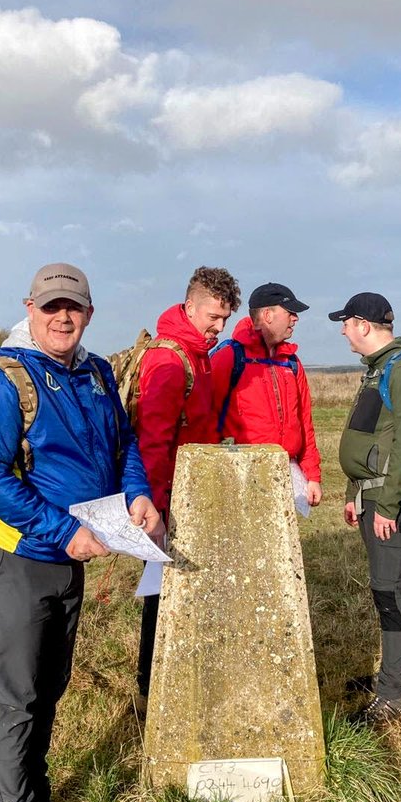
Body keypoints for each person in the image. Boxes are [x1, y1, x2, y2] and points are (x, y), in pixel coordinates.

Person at [0, 262, 161, 802]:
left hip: (69, 558)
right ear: (30, 308)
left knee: (49, 685)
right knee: (11, 699)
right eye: (51, 307)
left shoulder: (96, 373)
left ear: (90, 313)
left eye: (74, 306)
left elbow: (123, 443)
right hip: (8, 561)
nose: (63, 317)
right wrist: (62, 531)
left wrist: (137, 494)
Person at [133, 265, 241, 708]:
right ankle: (148, 690)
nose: (219, 327)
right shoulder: (168, 358)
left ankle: (178, 676)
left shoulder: (198, 352)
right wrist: (156, 511)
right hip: (170, 499)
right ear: (190, 305)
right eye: (213, 317)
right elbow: (153, 442)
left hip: (193, 492)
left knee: (184, 590)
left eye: (225, 320)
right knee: (160, 594)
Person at [330, 292, 401, 727]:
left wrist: (387, 506)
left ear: (365, 325)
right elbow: (376, 441)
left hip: (394, 503)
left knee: (390, 593)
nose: (342, 330)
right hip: (373, 498)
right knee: (391, 588)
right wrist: (357, 496)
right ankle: (391, 674)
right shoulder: (378, 370)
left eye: (346, 322)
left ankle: (392, 697)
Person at [210, 282, 322, 506]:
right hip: (240, 475)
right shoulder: (229, 357)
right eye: (290, 312)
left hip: (286, 473)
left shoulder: (291, 362)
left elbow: (304, 422)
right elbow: (208, 418)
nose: (295, 319)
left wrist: (312, 476)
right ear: (267, 315)